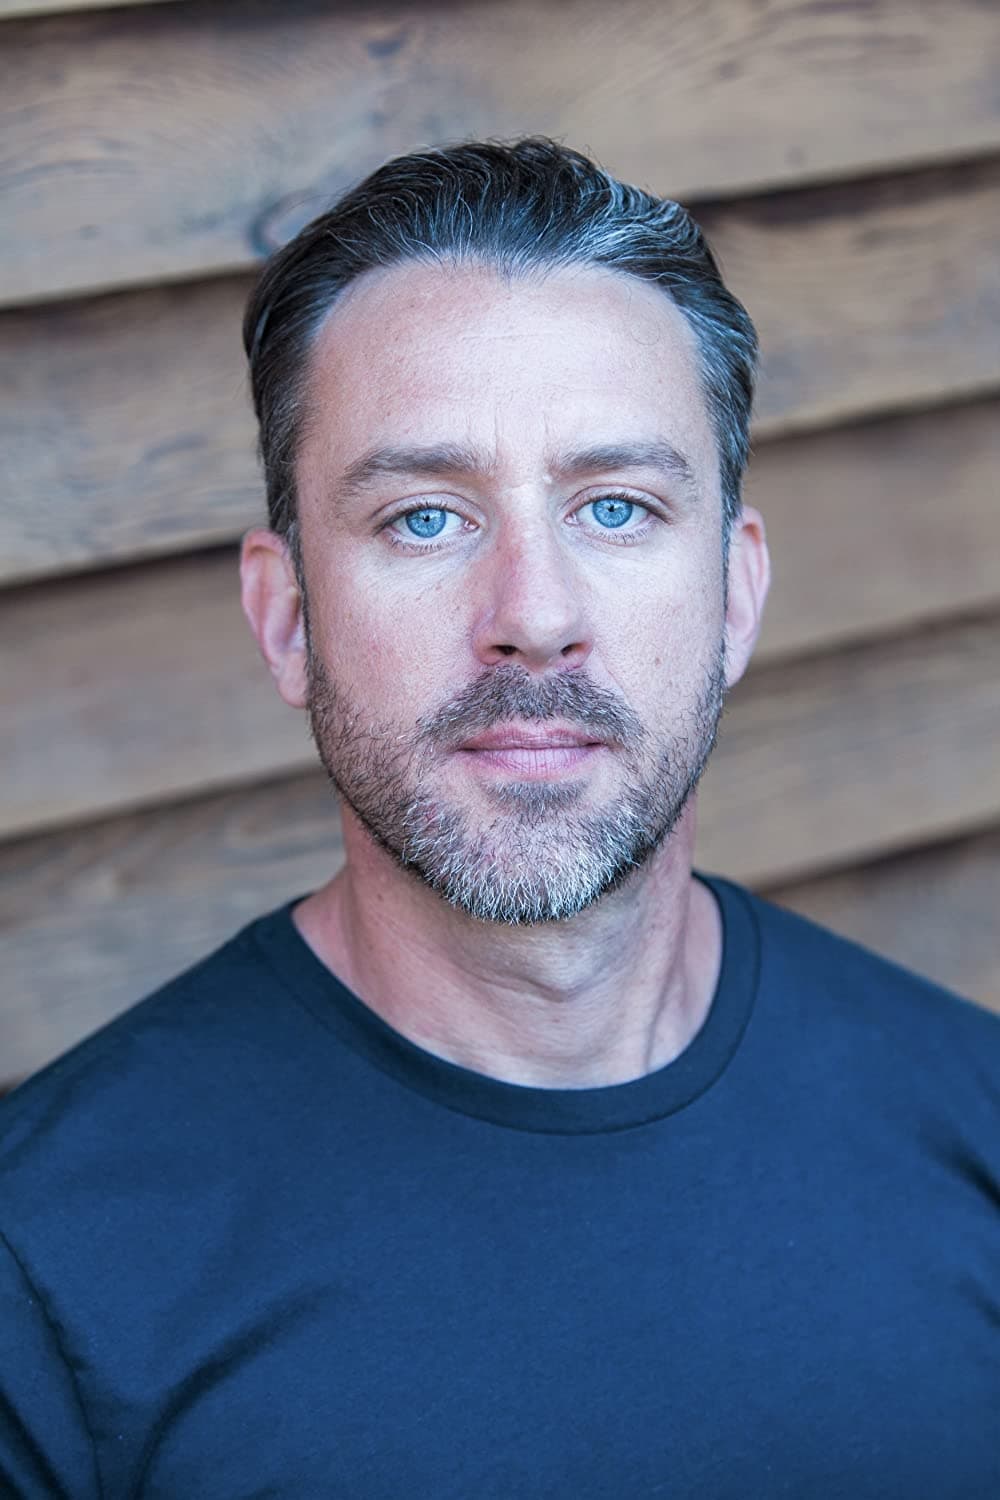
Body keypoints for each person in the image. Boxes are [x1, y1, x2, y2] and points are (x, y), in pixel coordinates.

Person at [1, 139, 997, 1499]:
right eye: (425, 519)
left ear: (735, 595)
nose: (533, 612)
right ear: (287, 618)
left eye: (615, 506)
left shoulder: (973, 1118)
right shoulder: (45, 1274)